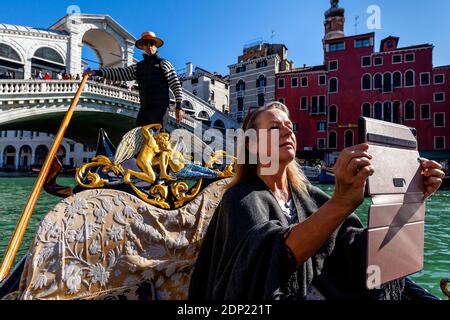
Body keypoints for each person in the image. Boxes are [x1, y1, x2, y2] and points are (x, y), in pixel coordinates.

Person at [189, 102, 445, 300]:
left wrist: (410, 200)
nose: (288, 130)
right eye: (275, 127)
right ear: (252, 146)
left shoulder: (311, 196)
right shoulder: (240, 199)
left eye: (289, 126)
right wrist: (342, 202)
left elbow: (352, 250)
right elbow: (262, 268)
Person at [84, 31, 184, 127]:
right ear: (143, 47)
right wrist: (97, 72)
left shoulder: (164, 64)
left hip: (160, 109)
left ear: (155, 46)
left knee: (156, 138)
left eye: (152, 43)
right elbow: (119, 73)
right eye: (145, 43)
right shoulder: (138, 67)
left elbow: (176, 85)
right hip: (144, 109)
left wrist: (179, 107)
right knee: (139, 136)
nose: (149, 46)